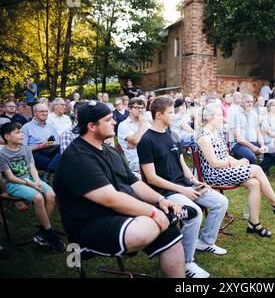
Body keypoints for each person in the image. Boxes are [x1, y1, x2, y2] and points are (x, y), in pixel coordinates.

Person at [53, 101, 189, 278]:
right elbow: (110, 199)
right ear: (92, 126)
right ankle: (167, 218)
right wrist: (154, 213)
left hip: (119, 213)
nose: (114, 122)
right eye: (108, 119)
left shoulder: (110, 150)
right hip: (90, 223)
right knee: (143, 230)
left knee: (171, 234)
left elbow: (134, 183)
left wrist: (160, 200)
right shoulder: (77, 157)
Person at [138, 96, 229, 278]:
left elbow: (182, 163)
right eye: (171, 112)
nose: (175, 115)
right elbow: (151, 178)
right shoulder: (146, 141)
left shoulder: (172, 134)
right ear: (158, 114)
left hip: (185, 186)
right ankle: (187, 262)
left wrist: (194, 181)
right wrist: (182, 190)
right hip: (165, 193)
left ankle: (205, 242)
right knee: (195, 212)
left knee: (221, 201)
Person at [195, 103, 275, 238]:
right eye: (219, 115)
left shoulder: (218, 131)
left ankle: (254, 224)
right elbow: (214, 163)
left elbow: (225, 154)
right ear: (209, 117)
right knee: (256, 169)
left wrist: (238, 162)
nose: (222, 118)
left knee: (255, 183)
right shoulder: (203, 136)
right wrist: (234, 164)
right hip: (213, 174)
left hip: (225, 169)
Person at [0, 122, 65, 251]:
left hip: (31, 179)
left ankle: (42, 232)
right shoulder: (2, 154)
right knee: (38, 198)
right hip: (15, 184)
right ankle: (50, 234)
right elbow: (10, 177)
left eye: (22, 132)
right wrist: (30, 184)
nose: (21, 135)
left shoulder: (25, 149)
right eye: (17, 132)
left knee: (51, 194)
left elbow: (32, 168)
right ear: (7, 136)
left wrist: (37, 181)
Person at [228, 94, 270, 168]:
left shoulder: (254, 114)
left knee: (271, 151)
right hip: (238, 144)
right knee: (251, 157)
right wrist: (252, 147)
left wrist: (262, 144)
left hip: (253, 142)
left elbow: (258, 132)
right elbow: (237, 137)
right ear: (242, 102)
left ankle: (260, 170)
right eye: (248, 102)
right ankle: (251, 172)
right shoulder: (234, 113)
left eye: (251, 102)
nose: (250, 104)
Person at [22, 103, 61, 182]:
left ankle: (47, 172)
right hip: (35, 152)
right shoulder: (26, 127)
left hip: (50, 150)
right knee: (62, 162)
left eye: (46, 111)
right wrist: (41, 146)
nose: (45, 113)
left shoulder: (51, 126)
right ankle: (50, 170)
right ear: (35, 113)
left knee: (64, 148)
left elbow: (58, 142)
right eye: (42, 111)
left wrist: (53, 143)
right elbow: (23, 149)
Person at [118, 98, 149, 179]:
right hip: (136, 162)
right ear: (129, 109)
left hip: (150, 157)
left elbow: (155, 140)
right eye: (137, 107)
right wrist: (142, 126)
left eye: (142, 108)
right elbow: (135, 141)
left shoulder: (147, 123)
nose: (140, 110)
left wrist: (136, 144)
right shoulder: (123, 125)